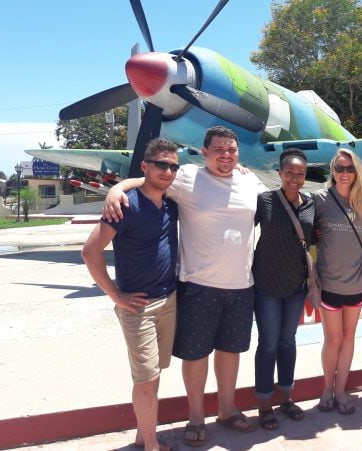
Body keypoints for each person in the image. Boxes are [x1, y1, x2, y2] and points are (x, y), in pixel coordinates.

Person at [104, 126, 266, 447]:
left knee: (231, 351)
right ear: (204, 153)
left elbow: (276, 202)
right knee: (196, 355)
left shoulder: (250, 180)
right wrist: (116, 189)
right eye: (218, 150)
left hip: (241, 284)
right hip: (198, 285)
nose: (226, 155)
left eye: (231, 150)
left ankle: (227, 408)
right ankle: (195, 416)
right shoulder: (187, 177)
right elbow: (149, 178)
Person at [81, 138, 180, 451]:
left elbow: (152, 179)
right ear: (145, 166)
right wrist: (116, 296)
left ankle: (143, 434)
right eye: (161, 164)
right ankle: (151, 446)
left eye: (173, 166)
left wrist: (119, 185)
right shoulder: (125, 205)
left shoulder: (170, 203)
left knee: (153, 374)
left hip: (169, 300)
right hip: (138, 307)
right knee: (145, 378)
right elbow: (90, 251)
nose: (168, 171)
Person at [252, 148, 314, 430]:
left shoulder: (310, 204)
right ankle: (264, 404)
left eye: (300, 173)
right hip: (266, 285)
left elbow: (316, 238)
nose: (295, 178)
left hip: (295, 286)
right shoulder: (264, 200)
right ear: (280, 173)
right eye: (290, 172)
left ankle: (286, 398)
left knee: (288, 343)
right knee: (268, 344)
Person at [312, 148, 362, 415]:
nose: (344, 173)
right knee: (333, 339)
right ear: (332, 171)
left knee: (349, 338)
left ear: (356, 171)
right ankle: (327, 388)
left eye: (350, 168)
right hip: (330, 284)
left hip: (357, 284)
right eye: (339, 168)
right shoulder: (319, 199)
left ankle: (340, 390)